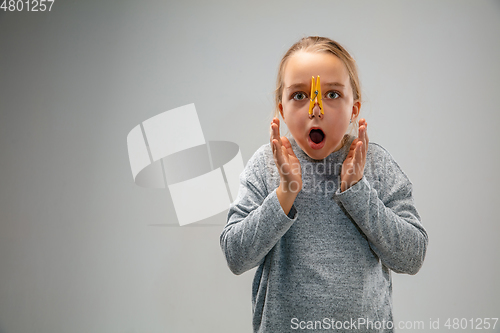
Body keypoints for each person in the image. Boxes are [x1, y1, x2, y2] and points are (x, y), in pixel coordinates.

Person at [219, 36, 428, 333]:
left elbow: (412, 256)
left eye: (331, 95)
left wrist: (357, 191)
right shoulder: (267, 166)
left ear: (354, 109)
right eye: (299, 96)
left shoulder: (375, 164)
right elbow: (236, 256)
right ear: (281, 108)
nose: (315, 110)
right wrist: (285, 193)